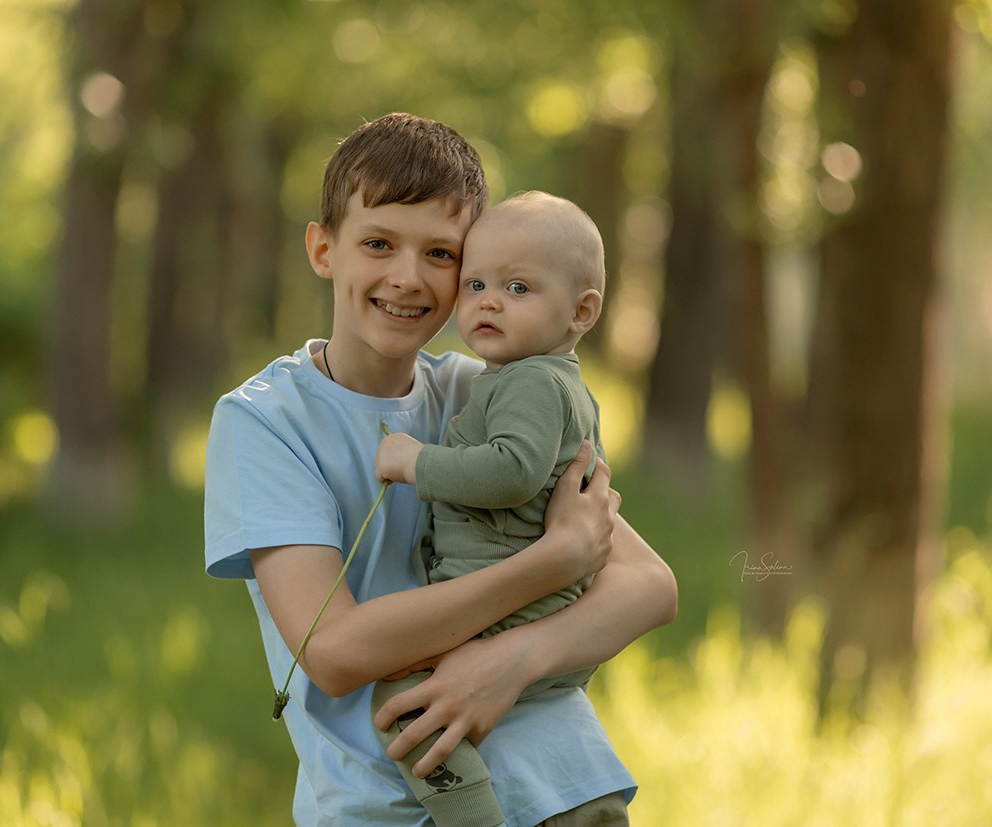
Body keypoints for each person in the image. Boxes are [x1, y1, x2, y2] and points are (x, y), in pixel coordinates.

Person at [203, 112, 677, 827]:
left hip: (553, 786)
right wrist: (550, 563)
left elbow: (646, 584)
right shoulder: (266, 420)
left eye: (441, 254)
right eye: (379, 243)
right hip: (378, 807)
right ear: (323, 248)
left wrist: (513, 659)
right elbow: (331, 650)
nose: (407, 276)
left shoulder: (485, 391)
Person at [371, 191, 612, 825]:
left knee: (401, 695)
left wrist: (413, 462)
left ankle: (471, 816)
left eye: (518, 287)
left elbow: (511, 473)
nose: (488, 301)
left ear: (581, 311)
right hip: (533, 607)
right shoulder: (535, 380)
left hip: (509, 613)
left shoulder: (533, 381)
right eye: (475, 283)